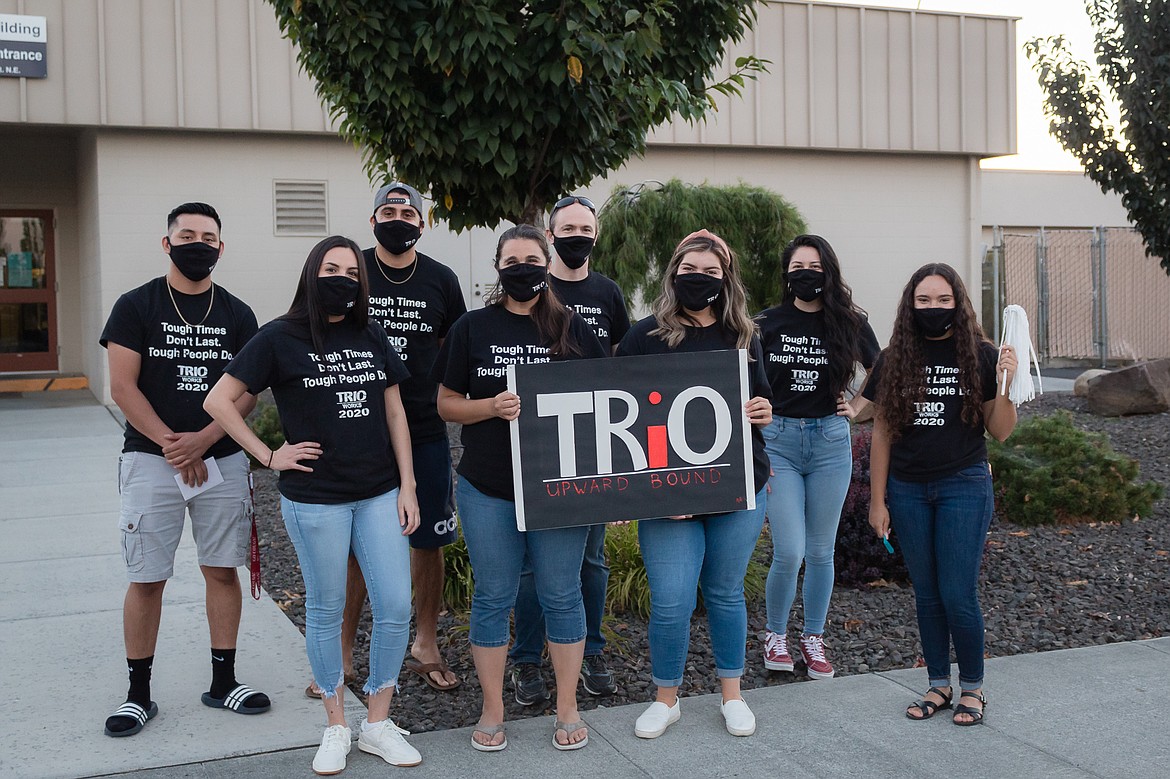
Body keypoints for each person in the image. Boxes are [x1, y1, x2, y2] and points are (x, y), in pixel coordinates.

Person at [204, 236, 422, 774]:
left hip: (377, 493)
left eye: (352, 271)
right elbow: (217, 400)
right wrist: (267, 454)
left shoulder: (370, 332)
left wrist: (409, 485)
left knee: (395, 606)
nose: (343, 277)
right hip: (316, 500)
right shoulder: (279, 336)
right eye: (332, 268)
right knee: (325, 610)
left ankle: (376, 722)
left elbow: (396, 413)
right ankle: (335, 724)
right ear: (312, 273)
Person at [433, 224, 606, 752]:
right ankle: (492, 708)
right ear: (498, 267)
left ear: (547, 263)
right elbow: (445, 402)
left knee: (561, 594)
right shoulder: (472, 327)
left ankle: (567, 705)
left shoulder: (574, 328)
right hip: (488, 487)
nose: (523, 268)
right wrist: (490, 407)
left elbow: (610, 399)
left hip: (558, 488)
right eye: (513, 260)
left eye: (533, 259)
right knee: (492, 597)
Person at [100, 202, 268, 738]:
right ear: (167, 243)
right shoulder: (136, 306)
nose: (199, 244)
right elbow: (122, 386)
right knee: (147, 577)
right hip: (152, 460)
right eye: (188, 234)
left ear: (221, 247)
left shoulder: (238, 314)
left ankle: (224, 683)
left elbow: (247, 397)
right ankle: (138, 695)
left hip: (218, 457)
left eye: (209, 237)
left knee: (221, 570)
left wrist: (203, 440)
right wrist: (172, 445)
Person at [303, 183, 467, 698]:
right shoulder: (350, 274)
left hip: (423, 430)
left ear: (424, 222)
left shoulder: (442, 280)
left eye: (407, 212)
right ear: (372, 221)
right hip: (357, 433)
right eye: (388, 211)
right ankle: (345, 652)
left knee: (429, 539)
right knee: (354, 546)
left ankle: (424, 643)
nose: (398, 219)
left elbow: (454, 350)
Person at [616, 229, 773, 739]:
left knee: (726, 593)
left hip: (738, 482)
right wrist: (657, 490)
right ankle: (666, 698)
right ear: (673, 274)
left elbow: (763, 403)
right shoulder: (643, 337)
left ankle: (732, 695)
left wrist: (763, 410)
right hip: (668, 493)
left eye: (710, 272)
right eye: (690, 270)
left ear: (726, 279)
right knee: (671, 599)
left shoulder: (746, 335)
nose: (699, 279)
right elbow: (622, 416)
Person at [864, 262, 1017, 727]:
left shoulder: (981, 354)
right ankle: (937, 684)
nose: (934, 308)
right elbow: (882, 433)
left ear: (959, 303)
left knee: (957, 592)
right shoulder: (894, 358)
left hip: (963, 485)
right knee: (927, 595)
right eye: (924, 300)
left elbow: (1002, 432)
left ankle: (972, 687)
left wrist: (1007, 385)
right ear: (911, 305)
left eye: (943, 300)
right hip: (908, 490)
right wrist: (877, 500)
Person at [509, 194, 631, 704]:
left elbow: (625, 363)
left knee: (591, 560)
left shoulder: (608, 293)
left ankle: (591, 650)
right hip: (536, 446)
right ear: (550, 234)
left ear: (595, 235)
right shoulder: (537, 287)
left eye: (586, 227)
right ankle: (526, 659)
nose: (577, 235)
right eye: (568, 227)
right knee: (536, 564)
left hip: (593, 446)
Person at [757, 234, 879, 679]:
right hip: (779, 441)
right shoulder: (765, 322)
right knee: (789, 550)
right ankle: (775, 635)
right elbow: (739, 376)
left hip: (830, 441)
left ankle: (813, 637)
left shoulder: (848, 322)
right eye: (796, 266)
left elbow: (881, 367)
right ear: (787, 274)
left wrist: (860, 408)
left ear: (827, 271)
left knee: (821, 551)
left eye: (813, 265)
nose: (804, 273)